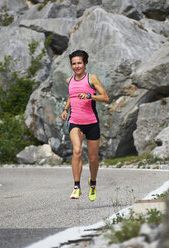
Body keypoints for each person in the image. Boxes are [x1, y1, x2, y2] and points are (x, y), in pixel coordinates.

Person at [59, 50, 109, 201]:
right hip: (75, 121)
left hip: (92, 122)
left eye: (79, 63)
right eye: (74, 64)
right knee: (77, 150)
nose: (76, 66)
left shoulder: (92, 79)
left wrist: (90, 96)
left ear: (85, 63)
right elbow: (71, 95)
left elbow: (105, 97)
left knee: (93, 159)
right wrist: (65, 109)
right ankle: (76, 186)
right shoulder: (69, 80)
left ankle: (92, 183)